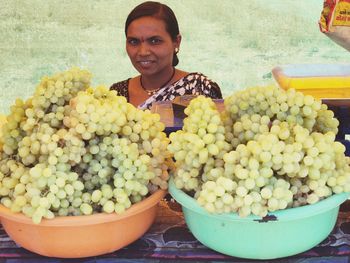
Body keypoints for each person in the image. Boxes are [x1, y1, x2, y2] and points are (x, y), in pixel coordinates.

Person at [110, 1, 222, 110]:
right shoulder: (117, 94)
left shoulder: (199, 88)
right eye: (134, 41)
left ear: (176, 42)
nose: (143, 52)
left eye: (154, 41)